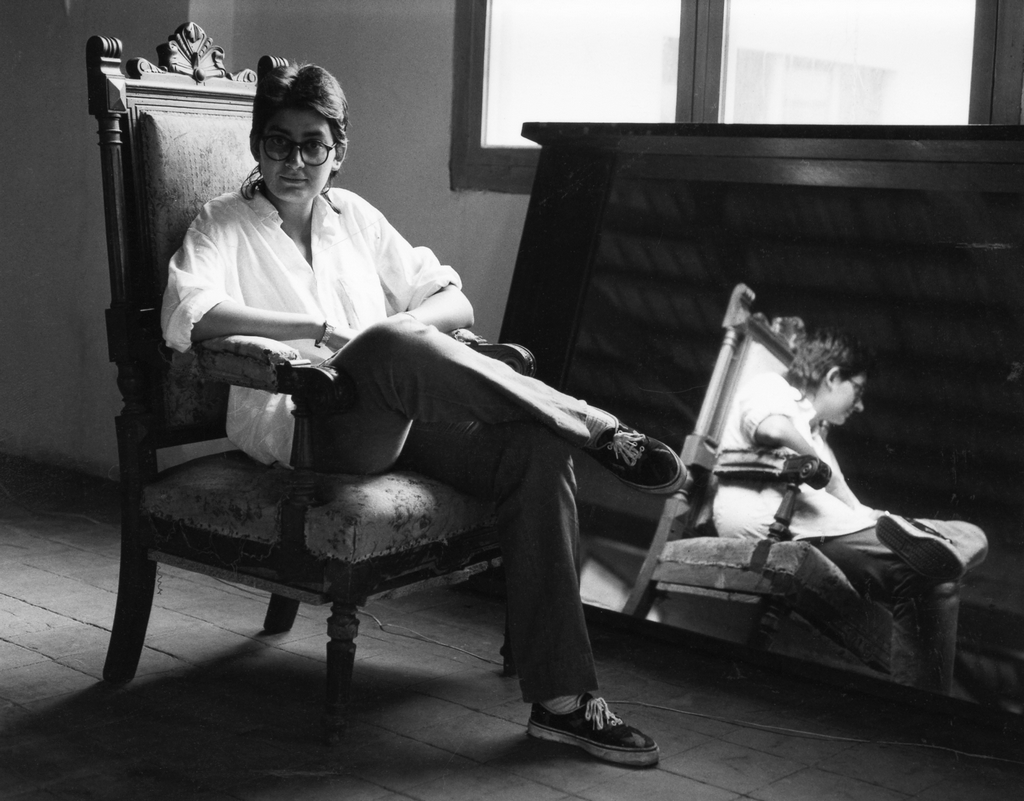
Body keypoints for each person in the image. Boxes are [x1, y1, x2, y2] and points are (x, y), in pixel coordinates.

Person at [161, 62, 685, 766]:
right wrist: (318, 329)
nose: (294, 161)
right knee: (393, 339)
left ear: (338, 151)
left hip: (396, 419)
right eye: (278, 143)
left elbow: (452, 299)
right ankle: (591, 422)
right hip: (310, 425)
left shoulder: (355, 218)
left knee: (533, 450)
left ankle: (563, 702)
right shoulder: (223, 222)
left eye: (313, 145)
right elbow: (189, 313)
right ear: (258, 146)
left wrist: (402, 336)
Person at [712, 328, 988, 691]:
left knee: (961, 553)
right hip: (779, 524)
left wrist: (868, 514)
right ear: (832, 376)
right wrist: (822, 470)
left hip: (827, 526)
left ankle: (923, 707)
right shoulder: (773, 388)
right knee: (929, 575)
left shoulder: (818, 436)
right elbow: (774, 428)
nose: (859, 406)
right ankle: (926, 710)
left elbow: (845, 499)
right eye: (857, 390)